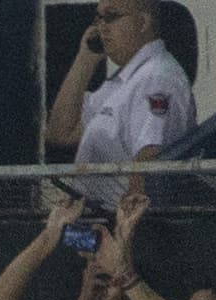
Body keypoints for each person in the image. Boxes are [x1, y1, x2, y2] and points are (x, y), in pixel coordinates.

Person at [49, 0, 189, 176]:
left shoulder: (155, 77)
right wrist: (85, 59)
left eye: (111, 17)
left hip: (122, 203)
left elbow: (150, 155)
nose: (101, 27)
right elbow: (61, 134)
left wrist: (131, 200)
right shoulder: (124, 81)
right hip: (100, 202)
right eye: (98, 19)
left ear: (143, 23)